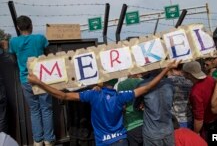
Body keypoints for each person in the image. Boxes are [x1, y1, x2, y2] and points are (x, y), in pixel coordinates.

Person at [28, 60, 180, 146]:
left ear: (100, 82)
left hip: (103, 143)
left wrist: (38, 82)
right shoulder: (121, 96)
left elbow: (63, 95)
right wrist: (166, 69)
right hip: (122, 141)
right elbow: (148, 86)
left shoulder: (93, 95)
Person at [8, 15, 55, 146]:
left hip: (26, 79)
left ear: (18, 27)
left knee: (34, 110)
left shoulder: (13, 42)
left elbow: (12, 58)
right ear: (31, 25)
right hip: (42, 79)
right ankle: (49, 140)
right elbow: (48, 54)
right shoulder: (40, 38)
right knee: (46, 109)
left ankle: (38, 140)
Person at [182, 61, 217, 140]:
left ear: (189, 74)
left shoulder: (195, 92)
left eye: (185, 73)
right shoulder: (210, 79)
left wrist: (196, 133)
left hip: (210, 125)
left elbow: (199, 118)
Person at [136, 69, 175, 146]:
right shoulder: (170, 83)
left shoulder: (142, 84)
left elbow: (136, 106)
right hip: (168, 130)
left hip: (152, 132)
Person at [117, 76, 143, 146]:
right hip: (144, 123)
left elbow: (122, 106)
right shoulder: (141, 81)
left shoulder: (121, 85)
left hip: (130, 126)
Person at [167, 64, 193, 129]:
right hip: (188, 118)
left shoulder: (167, 82)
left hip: (174, 120)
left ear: (171, 69)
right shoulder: (190, 81)